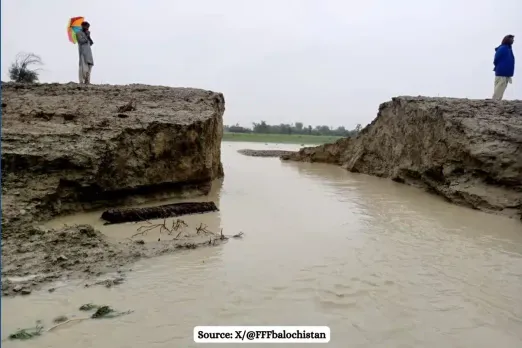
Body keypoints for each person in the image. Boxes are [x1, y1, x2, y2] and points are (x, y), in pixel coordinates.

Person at [492, 34, 515, 100]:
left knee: (501, 88)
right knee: (499, 88)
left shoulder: (508, 49)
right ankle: (495, 100)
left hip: (505, 73)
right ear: (507, 40)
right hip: (502, 72)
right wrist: (499, 67)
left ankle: (497, 100)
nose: (513, 40)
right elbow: (496, 59)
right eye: (511, 39)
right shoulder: (503, 48)